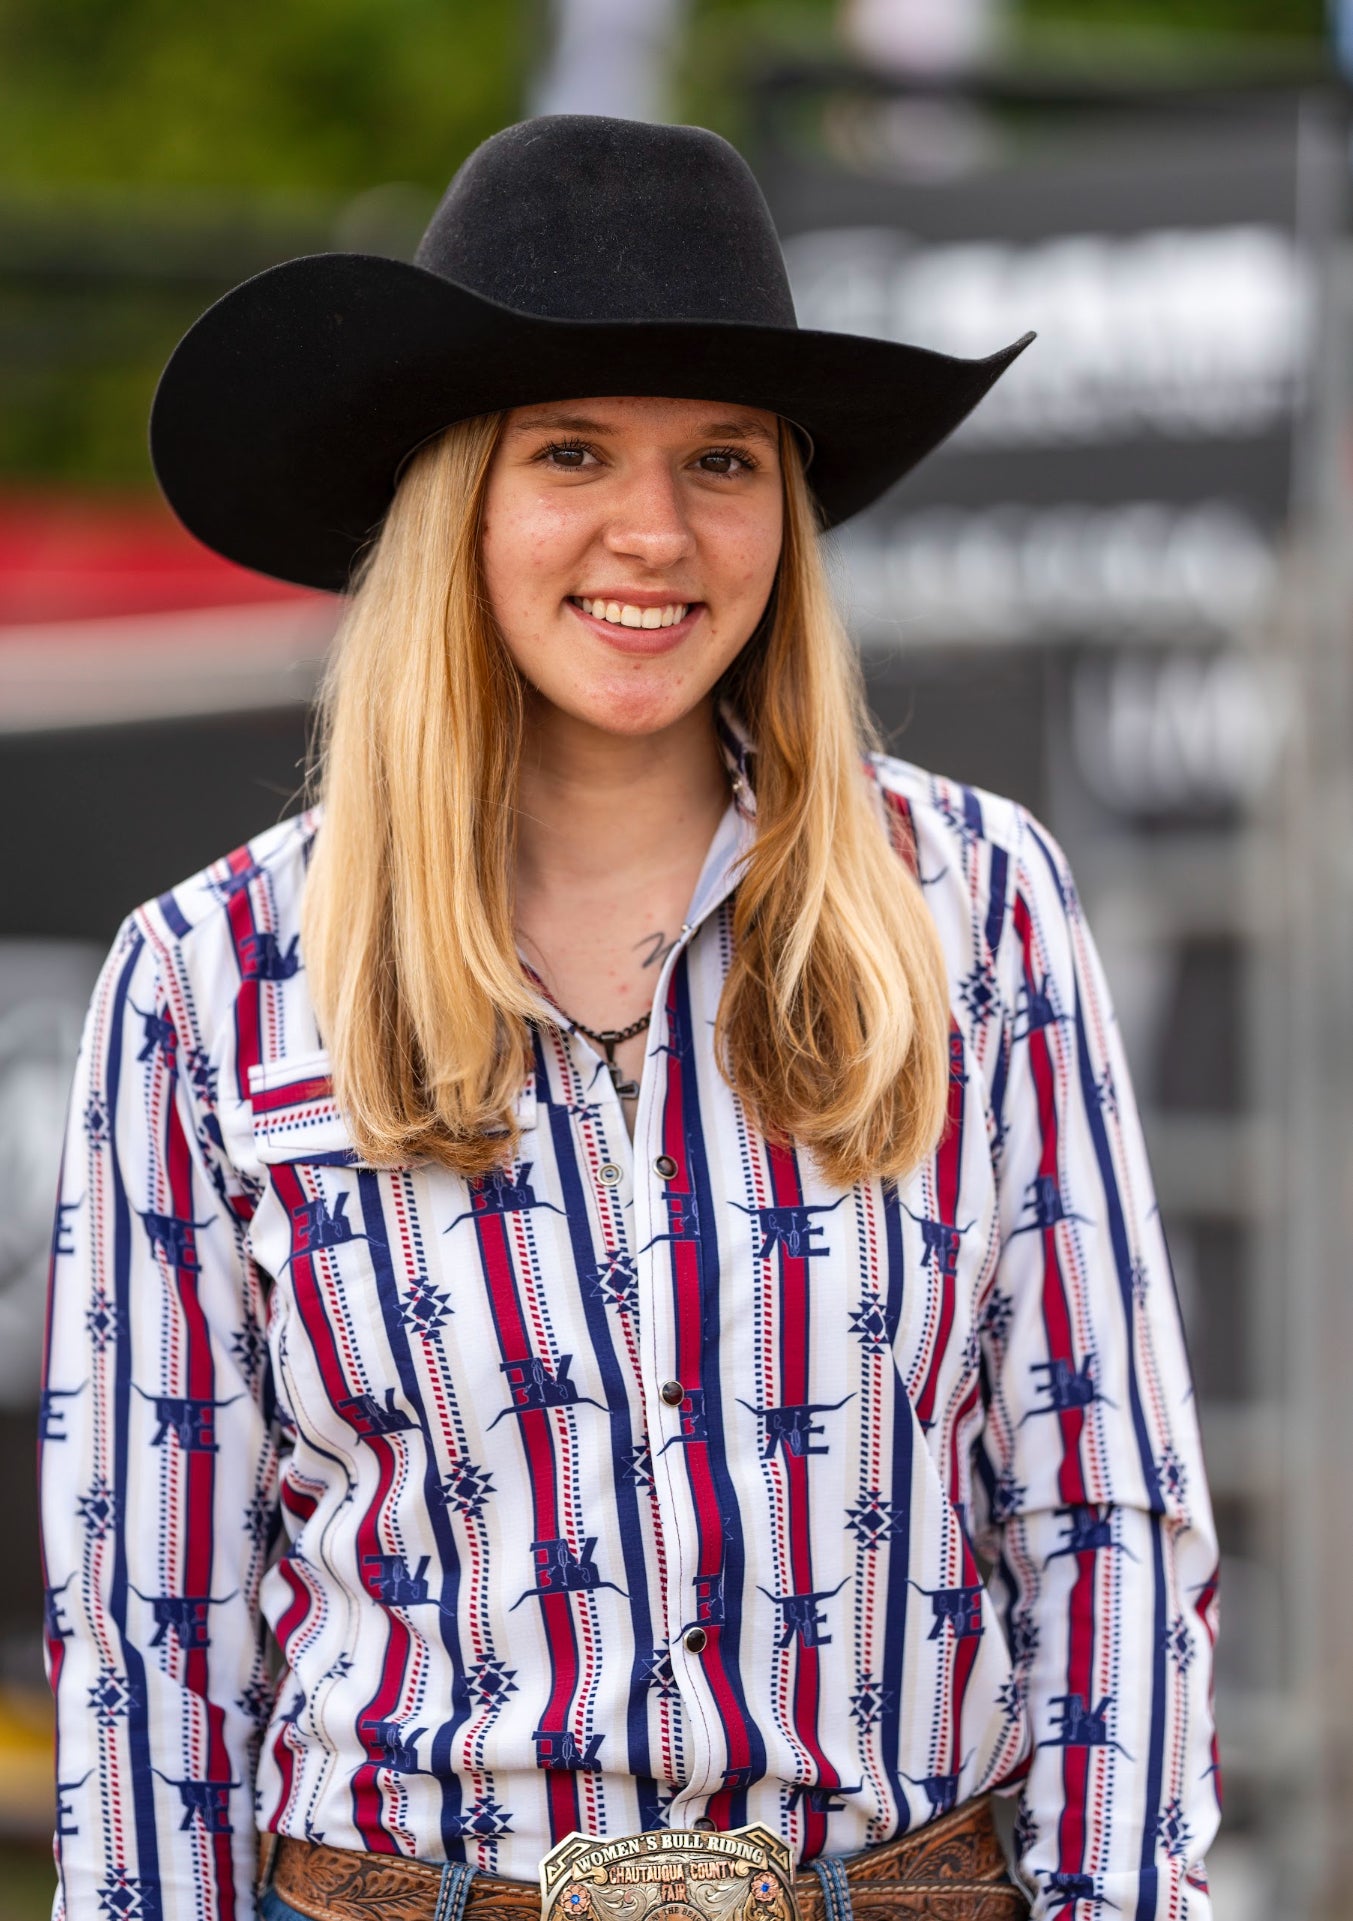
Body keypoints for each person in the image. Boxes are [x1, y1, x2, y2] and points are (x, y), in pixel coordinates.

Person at [39, 115, 1219, 1921]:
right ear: (462, 501)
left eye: (723, 462)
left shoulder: (972, 904)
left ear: (785, 512)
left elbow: (1103, 1512)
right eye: (572, 451)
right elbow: (147, 1625)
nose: (653, 533)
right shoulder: (213, 972)